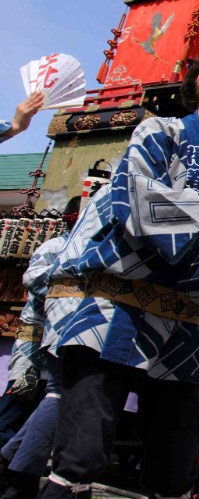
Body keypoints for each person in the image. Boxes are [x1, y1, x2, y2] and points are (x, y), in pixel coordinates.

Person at [35, 47, 199, 498]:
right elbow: (136, 207)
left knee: (176, 470)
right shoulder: (160, 132)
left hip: (180, 327)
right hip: (112, 308)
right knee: (81, 456)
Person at [0, 198, 80, 497]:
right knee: (16, 403)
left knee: (42, 411)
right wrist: (74, 283)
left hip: (60, 341)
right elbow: (32, 278)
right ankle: (8, 464)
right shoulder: (56, 247)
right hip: (36, 342)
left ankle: (14, 467)